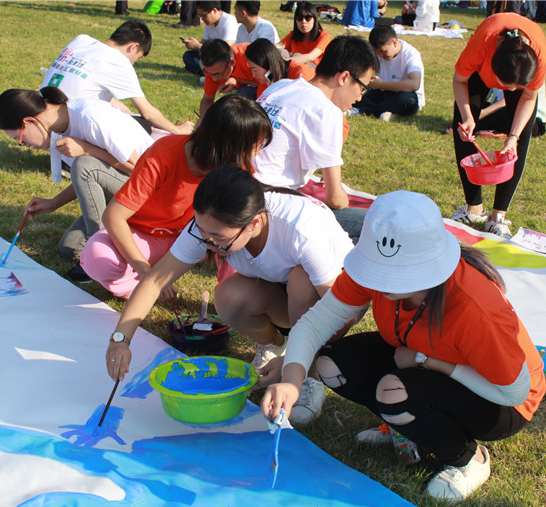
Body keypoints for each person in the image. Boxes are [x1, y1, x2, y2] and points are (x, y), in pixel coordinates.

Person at [261, 190, 545, 501]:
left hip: (501, 399)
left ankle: (469, 459)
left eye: (396, 276)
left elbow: (514, 391)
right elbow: (316, 322)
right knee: (331, 365)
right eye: (379, 272)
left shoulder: (475, 307)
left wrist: (429, 361)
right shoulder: (374, 270)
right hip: (415, 356)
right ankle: (406, 427)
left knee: (393, 393)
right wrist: (292, 380)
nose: (381, 283)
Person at [105, 167, 354, 423]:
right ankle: (276, 343)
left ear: (254, 224)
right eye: (201, 231)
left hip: (337, 296)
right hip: (284, 292)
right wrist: (121, 338)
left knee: (300, 281)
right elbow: (155, 281)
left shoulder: (302, 231)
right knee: (228, 297)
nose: (207, 242)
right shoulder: (211, 224)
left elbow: (340, 309)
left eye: (217, 238)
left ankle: (310, 375)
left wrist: (296, 362)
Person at [79, 94, 271, 299]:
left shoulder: (237, 168)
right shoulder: (164, 153)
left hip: (200, 238)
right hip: (147, 236)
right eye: (255, 147)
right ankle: (138, 289)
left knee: (240, 233)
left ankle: (230, 295)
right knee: (98, 256)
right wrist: (146, 272)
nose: (257, 154)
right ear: (229, 146)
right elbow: (114, 217)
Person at [0, 87, 153, 281]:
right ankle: (109, 243)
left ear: (30, 121)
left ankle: (104, 256)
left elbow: (141, 169)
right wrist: (53, 203)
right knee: (69, 247)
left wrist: (86, 149)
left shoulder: (89, 117)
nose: (27, 147)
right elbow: (93, 175)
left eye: (21, 140)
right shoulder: (59, 129)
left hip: (153, 191)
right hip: (125, 189)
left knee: (84, 164)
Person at [255, 35, 379, 243]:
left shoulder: (281, 86)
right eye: (362, 88)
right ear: (344, 78)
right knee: (374, 228)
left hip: (233, 195)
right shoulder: (326, 110)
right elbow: (335, 199)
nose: (359, 98)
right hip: (266, 211)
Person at [451, 13, 546, 238]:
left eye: (518, 86)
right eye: (507, 86)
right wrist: (468, 117)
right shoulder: (482, 43)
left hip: (518, 69)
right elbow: (460, 80)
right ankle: (473, 209)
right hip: (478, 72)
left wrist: (513, 137)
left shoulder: (539, 58)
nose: (511, 91)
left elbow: (528, 98)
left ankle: (498, 216)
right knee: (463, 130)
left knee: (520, 140)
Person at [41, 19, 193, 135]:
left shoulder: (81, 40)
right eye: (137, 57)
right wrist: (177, 130)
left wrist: (113, 102)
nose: (133, 63)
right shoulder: (118, 61)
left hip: (44, 117)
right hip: (71, 128)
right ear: (133, 47)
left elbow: (81, 81)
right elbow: (147, 112)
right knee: (143, 126)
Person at [349, 25, 425, 121]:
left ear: (394, 43)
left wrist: (382, 84)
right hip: (382, 93)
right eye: (377, 52)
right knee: (355, 93)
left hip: (403, 95)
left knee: (408, 100)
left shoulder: (411, 55)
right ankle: (384, 111)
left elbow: (414, 84)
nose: (381, 55)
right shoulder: (377, 53)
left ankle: (363, 110)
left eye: (383, 51)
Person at [197, 40, 257, 116]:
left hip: (270, 89)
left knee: (242, 97)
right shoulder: (212, 70)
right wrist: (204, 122)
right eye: (208, 73)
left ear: (231, 62)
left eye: (217, 74)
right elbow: (207, 100)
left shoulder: (249, 58)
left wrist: (236, 80)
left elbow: (269, 84)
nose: (214, 79)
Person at [182, 1, 239, 76]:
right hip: (213, 57)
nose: (202, 19)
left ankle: (208, 72)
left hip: (227, 59)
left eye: (203, 15)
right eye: (200, 16)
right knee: (188, 56)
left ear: (214, 11)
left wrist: (198, 46)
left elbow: (225, 51)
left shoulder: (228, 22)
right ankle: (210, 72)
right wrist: (194, 44)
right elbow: (203, 44)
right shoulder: (210, 23)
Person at [246, 38, 315, 99]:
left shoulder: (301, 76)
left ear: (268, 65)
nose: (253, 75)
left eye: (254, 70)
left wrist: (274, 92)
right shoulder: (266, 81)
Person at [277, 2, 332, 67]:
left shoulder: (324, 36)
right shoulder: (293, 35)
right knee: (280, 52)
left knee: (296, 55)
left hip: (315, 71)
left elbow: (310, 57)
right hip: (295, 68)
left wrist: (285, 62)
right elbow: (277, 47)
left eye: (308, 18)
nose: (303, 22)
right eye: (299, 18)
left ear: (315, 20)